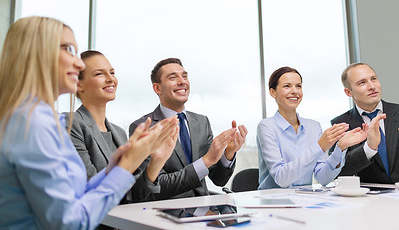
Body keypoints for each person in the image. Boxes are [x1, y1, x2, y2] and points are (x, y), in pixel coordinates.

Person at [0, 16, 178, 229]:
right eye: (68, 49)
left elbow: (76, 195)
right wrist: (128, 164)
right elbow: (70, 222)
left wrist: (119, 165)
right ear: (36, 53)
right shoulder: (32, 124)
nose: (78, 63)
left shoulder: (44, 119)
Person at [128, 57, 248, 200]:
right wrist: (206, 160)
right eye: (173, 77)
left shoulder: (202, 122)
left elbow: (218, 180)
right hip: (166, 212)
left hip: (203, 210)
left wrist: (228, 154)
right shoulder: (143, 127)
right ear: (157, 88)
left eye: (184, 76)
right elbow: (156, 187)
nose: (182, 81)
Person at [69, 50, 177, 205]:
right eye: (100, 74)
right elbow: (91, 188)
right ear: (79, 84)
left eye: (112, 72)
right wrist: (137, 154)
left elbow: (134, 196)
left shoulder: (119, 133)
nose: (110, 79)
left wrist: (157, 161)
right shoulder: (71, 123)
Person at [257, 67, 367, 189]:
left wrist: (340, 149)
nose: (295, 91)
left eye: (298, 86)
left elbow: (323, 178)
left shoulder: (313, 127)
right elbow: (281, 178)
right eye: (287, 86)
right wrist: (319, 146)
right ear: (273, 92)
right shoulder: (266, 127)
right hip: (273, 203)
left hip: (304, 201)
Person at [331, 63, 399, 183]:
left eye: (373, 79)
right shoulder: (340, 124)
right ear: (348, 92)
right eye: (362, 82)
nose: (372, 86)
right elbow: (336, 172)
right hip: (368, 200)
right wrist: (369, 148)